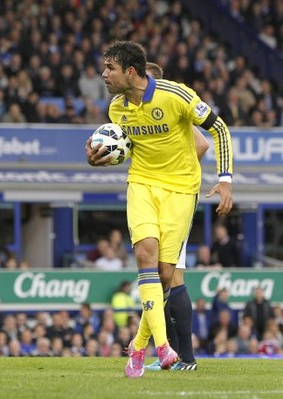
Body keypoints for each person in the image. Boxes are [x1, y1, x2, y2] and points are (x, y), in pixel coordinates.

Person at [86, 41, 233, 378]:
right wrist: (97, 158)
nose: (104, 74)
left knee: (166, 274)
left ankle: (139, 347)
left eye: (110, 68)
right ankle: (164, 347)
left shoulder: (176, 95)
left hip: (182, 189)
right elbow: (121, 149)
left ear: (130, 71)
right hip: (141, 183)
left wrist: (225, 179)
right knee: (145, 255)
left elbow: (218, 129)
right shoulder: (116, 110)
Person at [143, 61, 209, 372]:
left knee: (171, 278)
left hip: (176, 200)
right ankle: (171, 355)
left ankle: (186, 358)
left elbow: (202, 142)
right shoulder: (141, 115)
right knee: (161, 279)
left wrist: (172, 173)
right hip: (159, 199)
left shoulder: (173, 110)